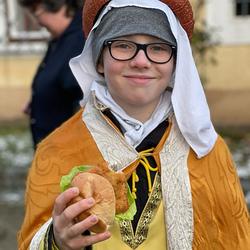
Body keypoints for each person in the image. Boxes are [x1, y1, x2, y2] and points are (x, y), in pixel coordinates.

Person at [18, 0, 250, 249]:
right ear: (98, 59)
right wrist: (57, 240)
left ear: (175, 63)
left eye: (158, 48)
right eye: (123, 45)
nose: (141, 61)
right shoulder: (56, 150)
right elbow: (32, 240)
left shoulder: (206, 150)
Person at [18, 0, 84, 148]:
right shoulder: (60, 40)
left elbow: (81, 99)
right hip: (51, 150)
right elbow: (55, 82)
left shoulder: (78, 42)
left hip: (67, 152)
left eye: (35, 11)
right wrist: (39, 101)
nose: (38, 21)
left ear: (55, 5)